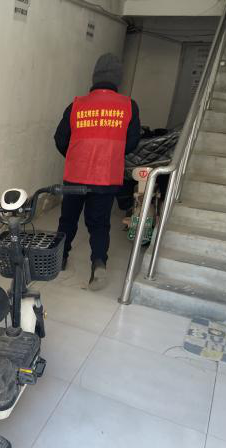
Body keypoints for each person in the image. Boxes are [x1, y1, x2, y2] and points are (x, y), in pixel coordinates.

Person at [54, 53, 141, 290]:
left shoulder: (77, 105)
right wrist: (111, 153)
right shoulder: (128, 106)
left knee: (68, 219)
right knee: (100, 224)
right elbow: (132, 142)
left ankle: (59, 260)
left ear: (94, 77)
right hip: (107, 176)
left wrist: (76, 155)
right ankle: (99, 263)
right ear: (118, 79)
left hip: (75, 175)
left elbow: (60, 138)